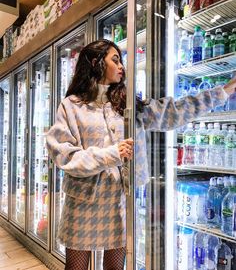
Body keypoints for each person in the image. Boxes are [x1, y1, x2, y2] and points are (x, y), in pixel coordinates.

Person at [46, 39, 236, 270]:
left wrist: (224, 91)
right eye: (115, 60)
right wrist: (111, 154)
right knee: (76, 267)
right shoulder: (71, 105)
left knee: (115, 268)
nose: (121, 67)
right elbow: (64, 155)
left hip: (119, 200)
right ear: (95, 62)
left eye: (121, 61)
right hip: (83, 200)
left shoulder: (127, 106)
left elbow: (175, 110)